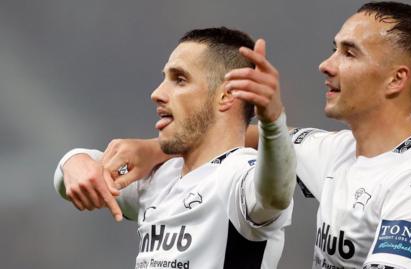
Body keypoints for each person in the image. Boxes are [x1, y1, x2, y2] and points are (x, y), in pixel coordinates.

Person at [94, 2, 411, 268]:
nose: (326, 65)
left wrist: (273, 115)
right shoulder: (334, 151)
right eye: (333, 49)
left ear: (396, 79)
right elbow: (239, 136)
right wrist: (154, 148)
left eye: (349, 53)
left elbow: (270, 142)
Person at [53, 27, 297, 269]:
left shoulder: (239, 175)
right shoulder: (160, 177)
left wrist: (272, 121)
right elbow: (73, 176)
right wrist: (73, 162)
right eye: (164, 79)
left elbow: (274, 194)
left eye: (180, 80)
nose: (157, 93)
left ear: (226, 95)